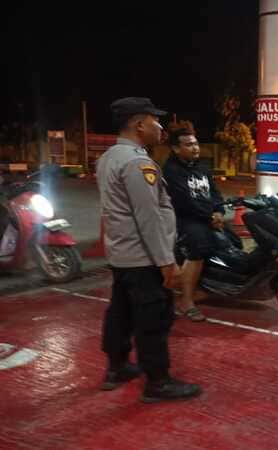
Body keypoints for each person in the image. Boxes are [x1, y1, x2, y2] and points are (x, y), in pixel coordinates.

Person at [96, 97, 201, 403]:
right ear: (139, 124)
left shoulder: (109, 158)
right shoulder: (137, 163)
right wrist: (167, 262)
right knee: (153, 318)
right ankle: (158, 382)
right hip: (143, 257)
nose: (160, 126)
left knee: (121, 312)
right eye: (155, 120)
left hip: (123, 255)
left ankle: (116, 367)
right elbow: (149, 217)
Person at [162, 128, 226, 322]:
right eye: (189, 144)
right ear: (176, 148)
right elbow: (184, 201)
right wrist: (210, 217)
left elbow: (214, 193)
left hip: (206, 217)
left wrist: (219, 211)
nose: (195, 148)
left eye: (196, 143)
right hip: (185, 219)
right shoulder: (171, 170)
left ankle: (204, 285)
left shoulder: (202, 166)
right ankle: (186, 301)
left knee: (231, 243)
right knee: (199, 248)